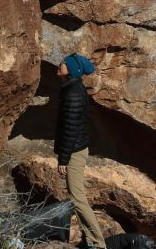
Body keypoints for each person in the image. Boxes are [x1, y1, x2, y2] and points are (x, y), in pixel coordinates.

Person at [55, 53, 106, 249]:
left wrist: (63, 159)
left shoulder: (72, 93)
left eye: (64, 64)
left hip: (74, 152)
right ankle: (92, 240)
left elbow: (70, 128)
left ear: (73, 70)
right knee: (76, 197)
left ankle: (98, 244)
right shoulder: (73, 89)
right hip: (77, 148)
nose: (59, 64)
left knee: (77, 198)